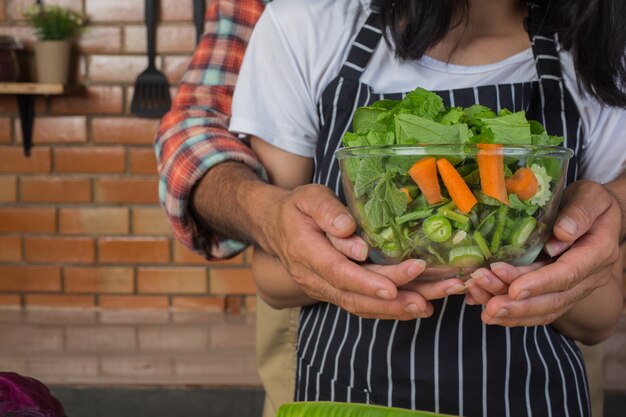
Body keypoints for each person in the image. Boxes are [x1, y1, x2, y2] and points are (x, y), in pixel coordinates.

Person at [154, 0, 625, 415]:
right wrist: (364, 259)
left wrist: (536, 269)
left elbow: (600, 315)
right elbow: (274, 278)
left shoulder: (591, 54)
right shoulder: (307, 26)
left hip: (530, 396)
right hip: (346, 391)